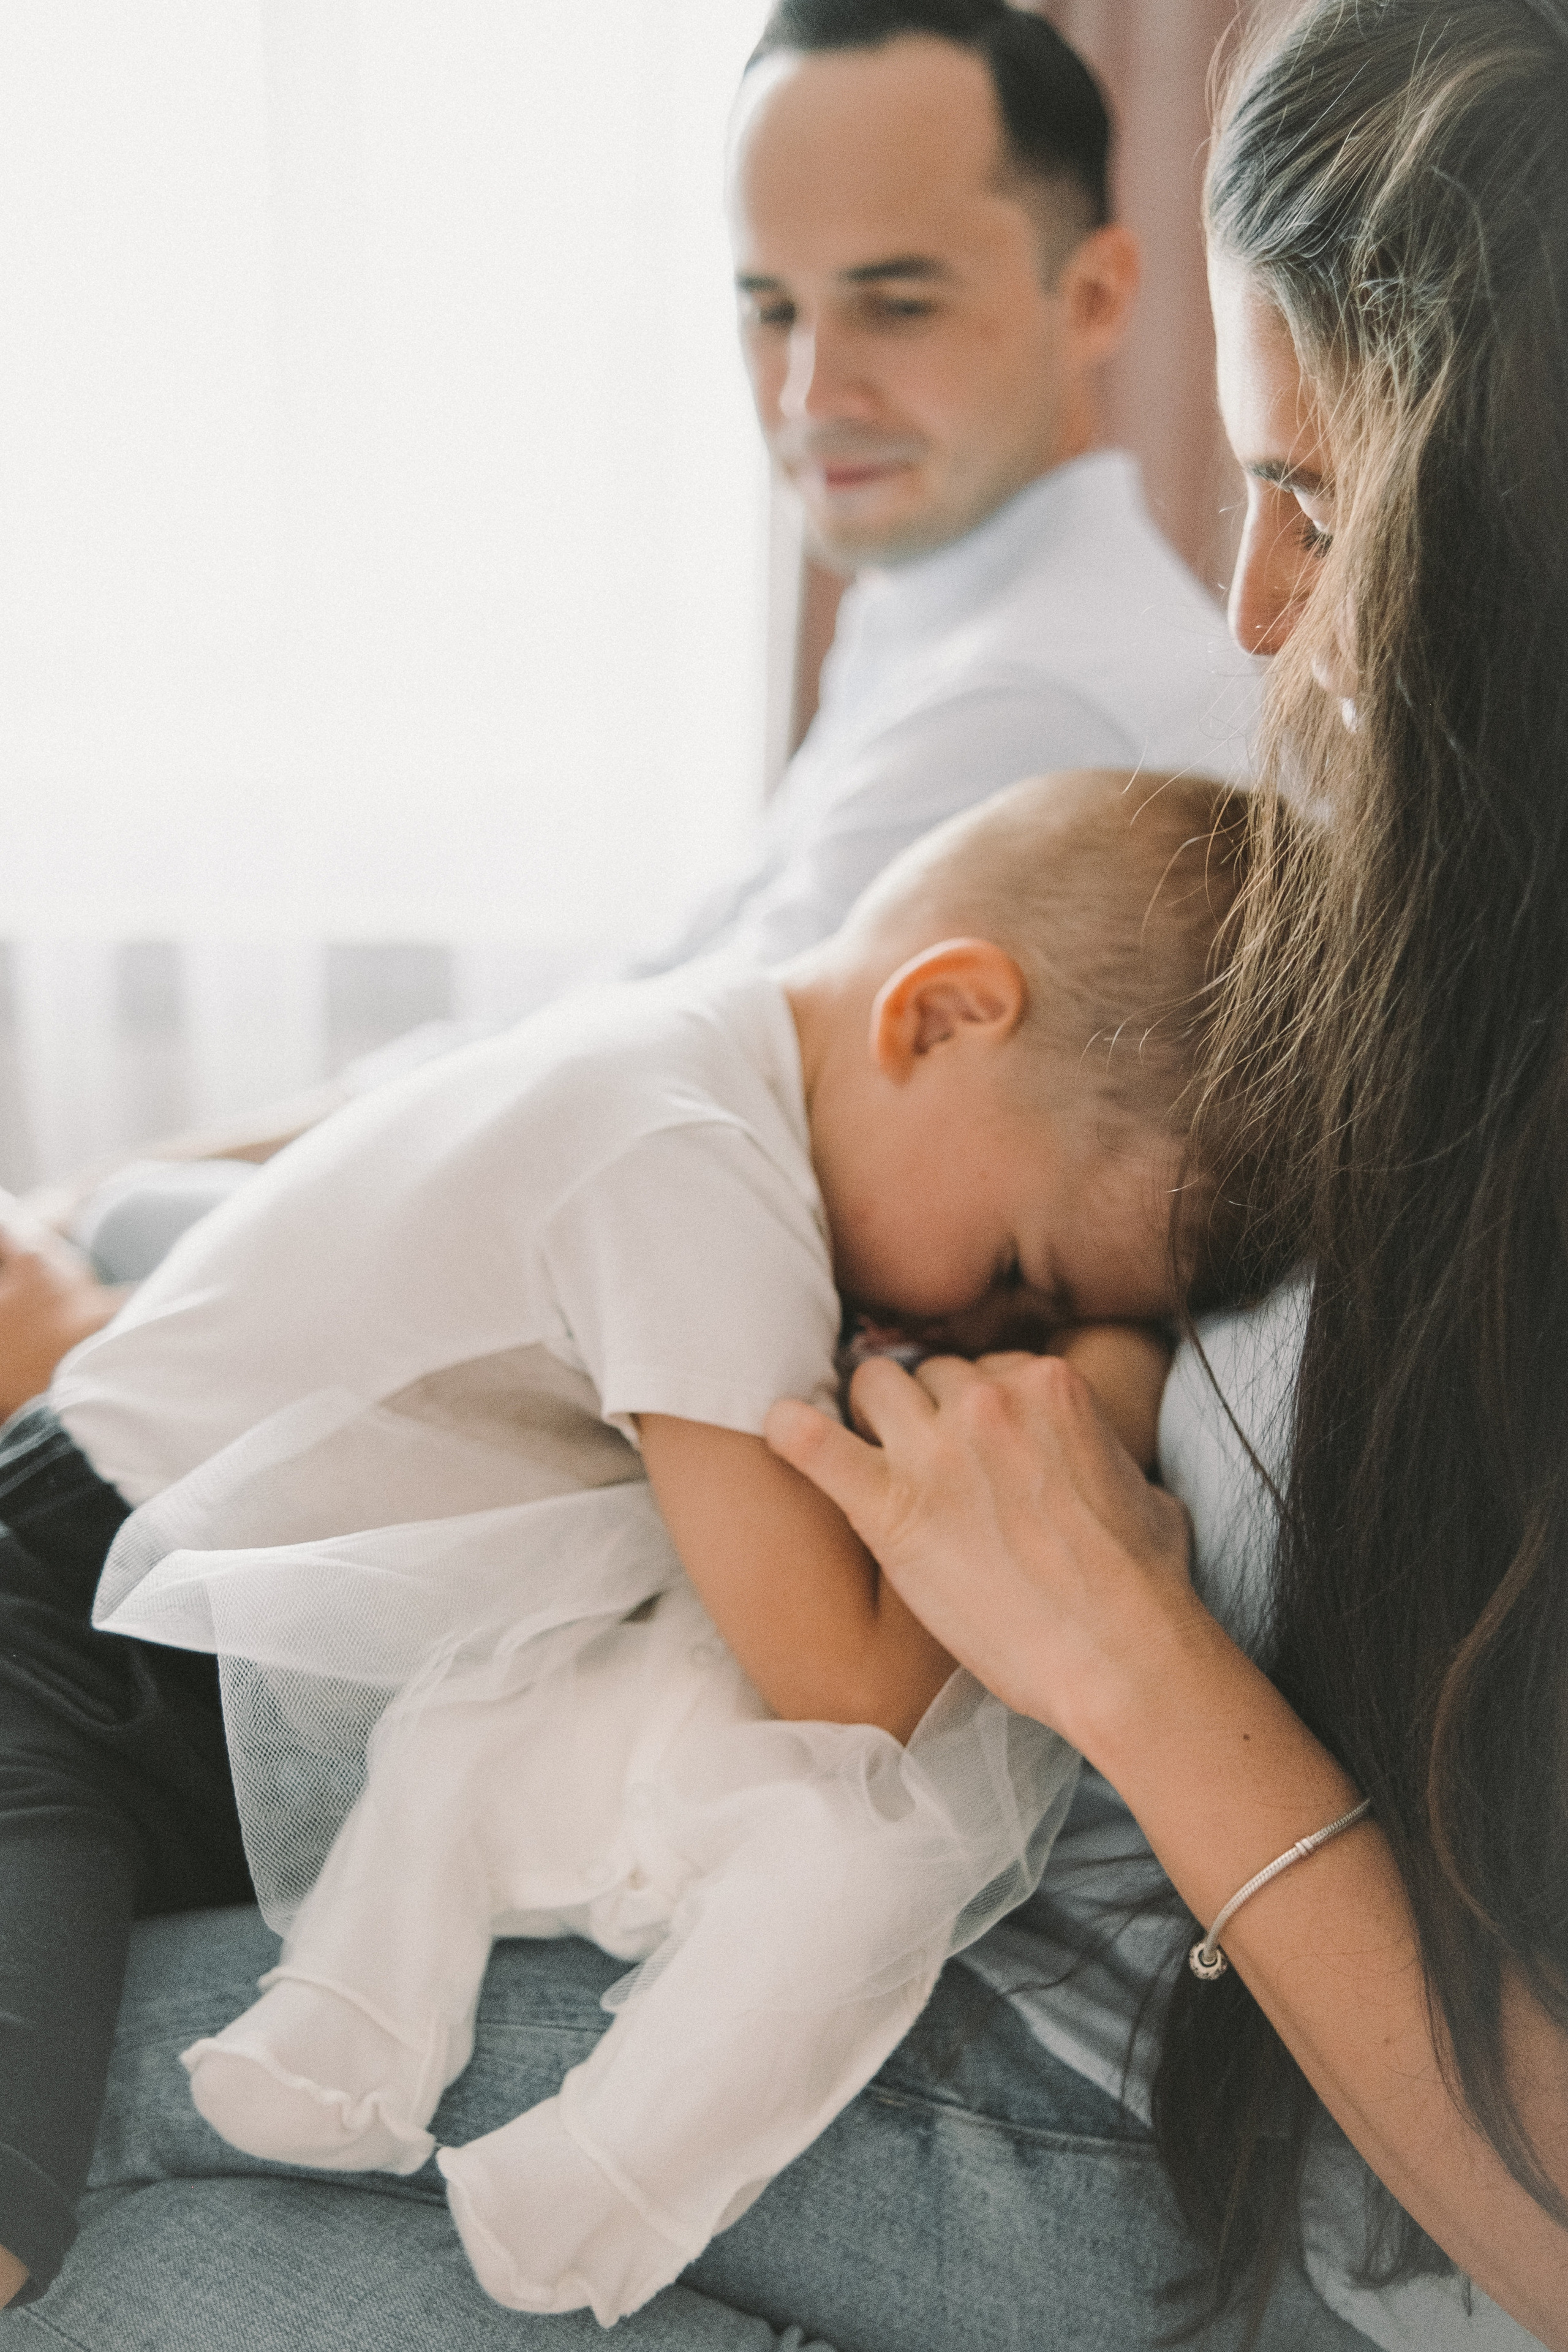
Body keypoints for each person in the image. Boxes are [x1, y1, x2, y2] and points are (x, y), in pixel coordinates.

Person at [24, 2, 1568, 2349]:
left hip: (1136, 2076)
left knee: (111, 2095)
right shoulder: (1332, 878)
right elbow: (615, 1068)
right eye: (764, 304)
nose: (1261, 614)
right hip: (1015, 1932)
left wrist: (1126, 1637)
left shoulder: (1089, 793)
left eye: (1328, 503)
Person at [0, 768, 1246, 2316]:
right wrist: (1092, 1401)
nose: (982, 1343)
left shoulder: (714, 1081)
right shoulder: (683, 1163)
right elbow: (845, 1693)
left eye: (1038, 1326)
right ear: (937, 1019)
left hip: (189, 1643)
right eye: (1020, 1276)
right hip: (64, 1631)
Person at [0, 0, 1257, 1417]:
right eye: (766, 306)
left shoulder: (1030, 697)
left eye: (895, 304)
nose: (807, 391)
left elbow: (632, 1127)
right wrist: (107, 1192)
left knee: (112, 1241)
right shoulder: (945, 606)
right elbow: (614, 1013)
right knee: (116, 1215)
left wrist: (99, 1291)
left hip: (554, 1344)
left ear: (1091, 296)